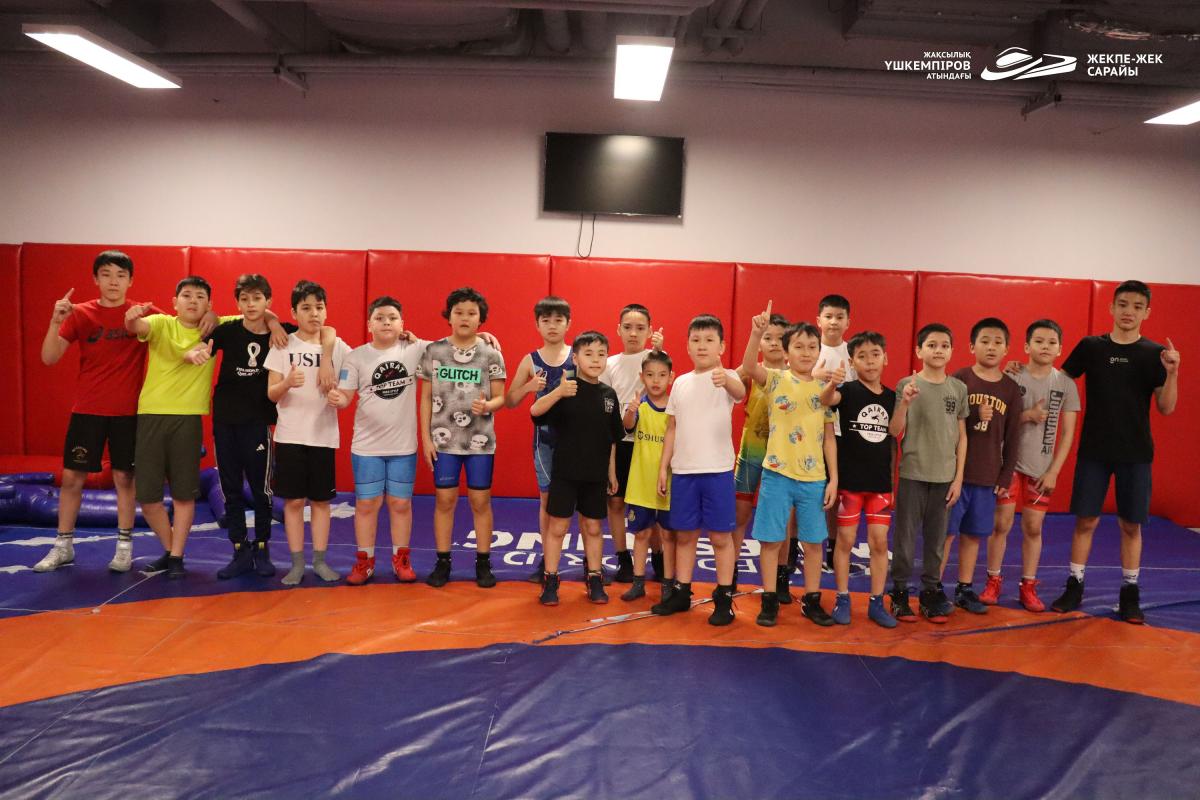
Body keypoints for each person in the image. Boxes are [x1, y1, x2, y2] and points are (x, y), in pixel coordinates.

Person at [1050, 280, 1180, 624]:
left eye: (1137, 306)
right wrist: (1023, 374)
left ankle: (1130, 592)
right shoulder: (1091, 347)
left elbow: (1166, 407)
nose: (1128, 312)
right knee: (1086, 520)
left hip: (1135, 452)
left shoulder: (1154, 354)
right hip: (1094, 449)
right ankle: (1074, 584)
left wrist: (1172, 373)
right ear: (1111, 307)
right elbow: (1058, 380)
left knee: (1131, 525)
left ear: (1146, 312)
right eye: (1123, 304)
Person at [34, 251, 170, 574]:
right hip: (88, 410)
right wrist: (55, 321)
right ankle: (63, 545)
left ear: (130, 280)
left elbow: (183, 330)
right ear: (95, 279)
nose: (113, 281)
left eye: (121, 275)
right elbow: (49, 357)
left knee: (124, 478)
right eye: (106, 274)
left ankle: (124, 547)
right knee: (72, 478)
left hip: (128, 413)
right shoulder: (80, 313)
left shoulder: (143, 313)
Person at [194, 273, 327, 580]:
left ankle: (263, 546)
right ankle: (240, 548)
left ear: (269, 301)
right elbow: (203, 345)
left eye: (257, 299)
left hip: (258, 421)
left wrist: (275, 323)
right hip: (225, 420)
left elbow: (324, 330)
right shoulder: (227, 330)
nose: (251, 304)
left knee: (262, 489)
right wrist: (196, 351)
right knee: (230, 488)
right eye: (245, 299)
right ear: (237, 303)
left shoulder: (283, 332)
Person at [124, 276, 235, 579]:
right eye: (186, 295)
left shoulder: (216, 328)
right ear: (174, 302)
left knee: (185, 494)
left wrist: (217, 317)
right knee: (148, 497)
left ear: (209, 304)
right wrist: (131, 317)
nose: (193, 300)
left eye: (200, 296)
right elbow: (137, 327)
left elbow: (261, 316)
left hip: (187, 420)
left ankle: (176, 557)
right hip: (151, 416)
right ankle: (170, 548)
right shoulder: (161, 323)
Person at [740, 303, 837, 627]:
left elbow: (829, 438)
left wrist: (833, 479)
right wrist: (756, 333)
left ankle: (812, 600)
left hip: (813, 479)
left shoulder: (824, 389)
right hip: (777, 474)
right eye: (798, 346)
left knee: (813, 543)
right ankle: (769, 600)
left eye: (812, 347)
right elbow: (748, 367)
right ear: (786, 352)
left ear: (819, 351)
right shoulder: (776, 379)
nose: (806, 352)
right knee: (771, 540)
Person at [650, 314, 746, 625]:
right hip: (684, 472)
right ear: (688, 346)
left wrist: (726, 379)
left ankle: (724, 597)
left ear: (721, 346)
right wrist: (664, 467)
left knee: (720, 538)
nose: (702, 346)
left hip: (717, 472)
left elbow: (740, 393)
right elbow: (672, 428)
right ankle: (682, 592)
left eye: (709, 340)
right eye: (696, 340)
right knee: (685, 535)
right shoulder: (680, 382)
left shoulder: (726, 376)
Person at [984, 320, 1079, 611]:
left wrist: (1054, 471)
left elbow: (1068, 433)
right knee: (1001, 524)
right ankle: (993, 581)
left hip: (1041, 469)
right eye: (1039, 341)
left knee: (1034, 527)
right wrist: (1028, 416)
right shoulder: (1011, 375)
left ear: (1060, 349)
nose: (1045, 347)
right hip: (1009, 464)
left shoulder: (1065, 384)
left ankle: (1028, 586)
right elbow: (998, 420)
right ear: (1027, 346)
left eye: (1052, 342)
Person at [418, 287, 507, 589]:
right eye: (459, 312)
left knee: (480, 501)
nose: (465, 318)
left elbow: (501, 397)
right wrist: (426, 438)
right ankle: (443, 561)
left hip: (481, 442)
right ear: (449, 316)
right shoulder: (434, 351)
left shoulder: (491, 353)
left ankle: (483, 562)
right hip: (444, 442)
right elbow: (425, 398)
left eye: (471, 313)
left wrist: (488, 406)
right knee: (445, 500)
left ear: (481, 319)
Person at [264, 280, 352, 586]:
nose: (314, 313)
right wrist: (287, 383)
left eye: (319, 307)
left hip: (323, 436)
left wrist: (342, 397)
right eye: (306, 308)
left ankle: (320, 561)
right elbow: (271, 394)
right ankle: (297, 563)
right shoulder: (283, 345)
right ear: (293, 313)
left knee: (321, 502)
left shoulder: (338, 347)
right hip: (290, 436)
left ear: (326, 311)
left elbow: (352, 379)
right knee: (293, 503)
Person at [334, 296, 426, 586]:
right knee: (366, 505)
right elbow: (345, 397)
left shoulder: (415, 349)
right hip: (367, 447)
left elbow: (453, 346)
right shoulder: (356, 357)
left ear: (402, 324)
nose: (386, 322)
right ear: (369, 324)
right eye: (380, 318)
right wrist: (338, 399)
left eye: (392, 317)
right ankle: (365, 561)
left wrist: (481, 336)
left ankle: (401, 560)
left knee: (400, 504)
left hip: (403, 447)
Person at [530, 331, 625, 605]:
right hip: (565, 473)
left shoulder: (609, 395)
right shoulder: (566, 388)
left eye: (601, 354)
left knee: (593, 527)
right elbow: (535, 412)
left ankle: (594, 578)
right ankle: (550, 579)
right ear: (575, 358)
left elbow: (612, 437)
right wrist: (558, 392)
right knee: (558, 527)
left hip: (595, 475)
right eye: (588, 354)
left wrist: (611, 472)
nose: (595, 360)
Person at [940, 318, 1023, 614]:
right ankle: (933, 587)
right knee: (946, 533)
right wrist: (973, 414)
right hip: (954, 474)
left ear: (1007, 349)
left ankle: (964, 587)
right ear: (972, 346)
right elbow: (944, 421)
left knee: (974, 533)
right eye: (985, 341)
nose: (991, 347)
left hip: (987, 475)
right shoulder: (959, 379)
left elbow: (1014, 436)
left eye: (998, 342)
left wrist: (1006, 474)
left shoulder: (1011, 389)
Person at [888, 323, 968, 623]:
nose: (938, 350)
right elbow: (894, 430)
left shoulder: (958, 389)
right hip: (913, 472)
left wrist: (958, 478)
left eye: (944, 345)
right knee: (905, 538)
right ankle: (899, 591)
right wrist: (905, 402)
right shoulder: (907, 384)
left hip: (945, 477)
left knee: (936, 540)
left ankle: (931, 591)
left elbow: (962, 437)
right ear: (919, 350)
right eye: (932, 345)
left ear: (952, 351)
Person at [819, 331, 898, 628]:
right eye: (862, 357)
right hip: (850, 483)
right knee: (846, 540)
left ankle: (877, 602)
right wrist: (832, 382)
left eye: (875, 355)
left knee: (879, 542)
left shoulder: (891, 397)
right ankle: (842, 597)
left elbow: (894, 434)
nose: (870, 361)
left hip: (879, 484)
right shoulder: (848, 390)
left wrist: (906, 403)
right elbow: (826, 399)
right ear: (852, 363)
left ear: (885, 358)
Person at [504, 296, 573, 584]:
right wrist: (529, 387)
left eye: (558, 320)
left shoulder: (578, 355)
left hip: (575, 439)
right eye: (546, 320)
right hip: (544, 440)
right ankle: (547, 558)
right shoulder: (530, 360)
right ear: (537, 325)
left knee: (579, 501)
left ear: (568, 324)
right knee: (546, 498)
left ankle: (589, 561)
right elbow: (510, 400)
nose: (552, 326)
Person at [599, 303, 664, 583]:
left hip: (648, 443)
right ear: (618, 330)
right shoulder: (609, 363)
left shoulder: (656, 358)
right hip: (619, 443)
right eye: (628, 327)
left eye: (640, 328)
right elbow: (604, 405)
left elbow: (662, 391)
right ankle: (623, 559)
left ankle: (659, 558)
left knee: (651, 505)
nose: (633, 333)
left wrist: (659, 351)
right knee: (615, 502)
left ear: (650, 331)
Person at [733, 311, 789, 597]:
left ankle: (781, 577)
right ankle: (730, 572)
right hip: (751, 453)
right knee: (739, 513)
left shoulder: (795, 375)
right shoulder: (748, 372)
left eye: (781, 338)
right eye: (768, 338)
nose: (775, 343)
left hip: (784, 457)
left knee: (782, 520)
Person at [811, 294, 863, 577]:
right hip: (808, 433)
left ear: (848, 322)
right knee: (806, 495)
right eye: (828, 316)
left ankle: (832, 553)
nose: (833, 322)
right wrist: (817, 374)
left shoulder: (853, 353)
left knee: (837, 495)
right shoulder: (809, 349)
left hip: (843, 435)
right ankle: (793, 551)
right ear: (818, 320)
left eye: (839, 317)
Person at [620, 350, 675, 602]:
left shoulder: (675, 408)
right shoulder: (640, 406)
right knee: (641, 534)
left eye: (662, 375)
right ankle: (638, 582)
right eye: (650, 375)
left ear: (671, 377)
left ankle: (668, 584)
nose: (656, 380)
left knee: (667, 535)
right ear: (642, 377)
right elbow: (628, 425)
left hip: (668, 485)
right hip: (640, 484)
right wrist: (630, 411)